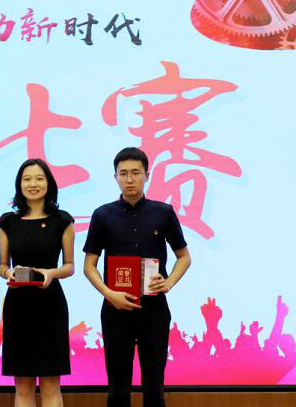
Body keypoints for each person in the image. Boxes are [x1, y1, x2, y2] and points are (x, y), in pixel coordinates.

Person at [82, 147, 191, 407]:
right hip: (115, 308)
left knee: (154, 385)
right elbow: (89, 265)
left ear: (147, 175)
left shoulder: (163, 212)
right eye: (123, 174)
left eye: (135, 173)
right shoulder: (102, 215)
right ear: (115, 177)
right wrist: (109, 293)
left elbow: (184, 257)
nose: (129, 179)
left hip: (154, 309)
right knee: (117, 386)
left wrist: (169, 282)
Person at [0, 158, 76, 407]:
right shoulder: (8, 222)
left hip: (50, 305)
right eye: (27, 179)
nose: (33, 184)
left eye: (39, 178)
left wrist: (51, 273)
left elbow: (70, 266)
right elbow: (2, 265)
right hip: (18, 306)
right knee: (23, 386)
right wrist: (8, 273)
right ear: (19, 184)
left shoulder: (62, 220)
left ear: (48, 183)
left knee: (51, 384)